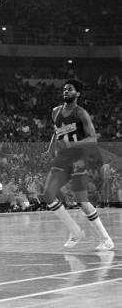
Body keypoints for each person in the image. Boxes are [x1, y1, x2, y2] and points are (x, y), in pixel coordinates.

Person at [43, 80, 114, 251]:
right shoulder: (55, 112)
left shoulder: (81, 113)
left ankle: (106, 240)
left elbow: (93, 138)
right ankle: (76, 232)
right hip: (62, 159)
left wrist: (71, 146)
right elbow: (56, 132)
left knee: (82, 201)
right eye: (64, 89)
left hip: (78, 160)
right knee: (47, 195)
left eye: (70, 89)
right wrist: (49, 149)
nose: (66, 91)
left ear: (78, 94)